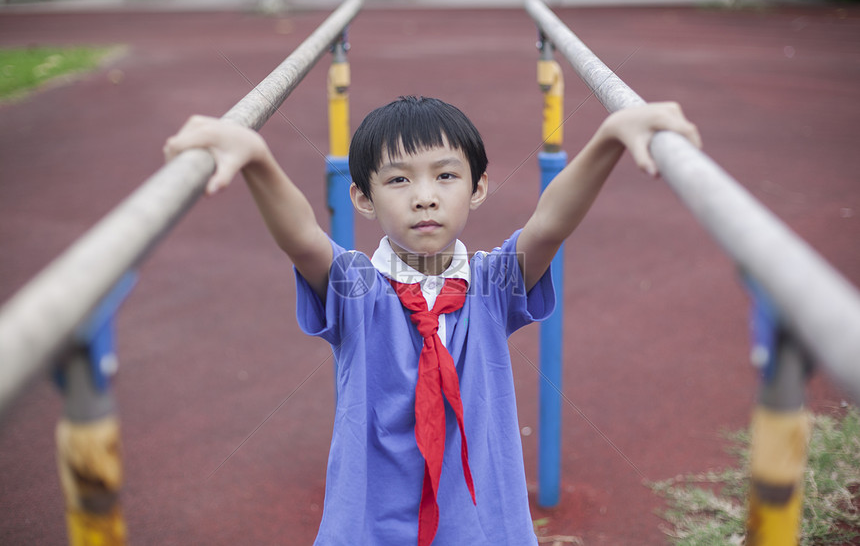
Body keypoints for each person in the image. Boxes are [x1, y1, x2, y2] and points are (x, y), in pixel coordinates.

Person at [164, 96, 701, 545]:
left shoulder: (491, 286)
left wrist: (609, 138)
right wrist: (257, 159)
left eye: (446, 176)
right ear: (363, 199)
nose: (424, 197)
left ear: (478, 187)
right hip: (373, 518)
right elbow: (302, 238)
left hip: (477, 517)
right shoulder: (359, 290)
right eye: (398, 180)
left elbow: (550, 223)